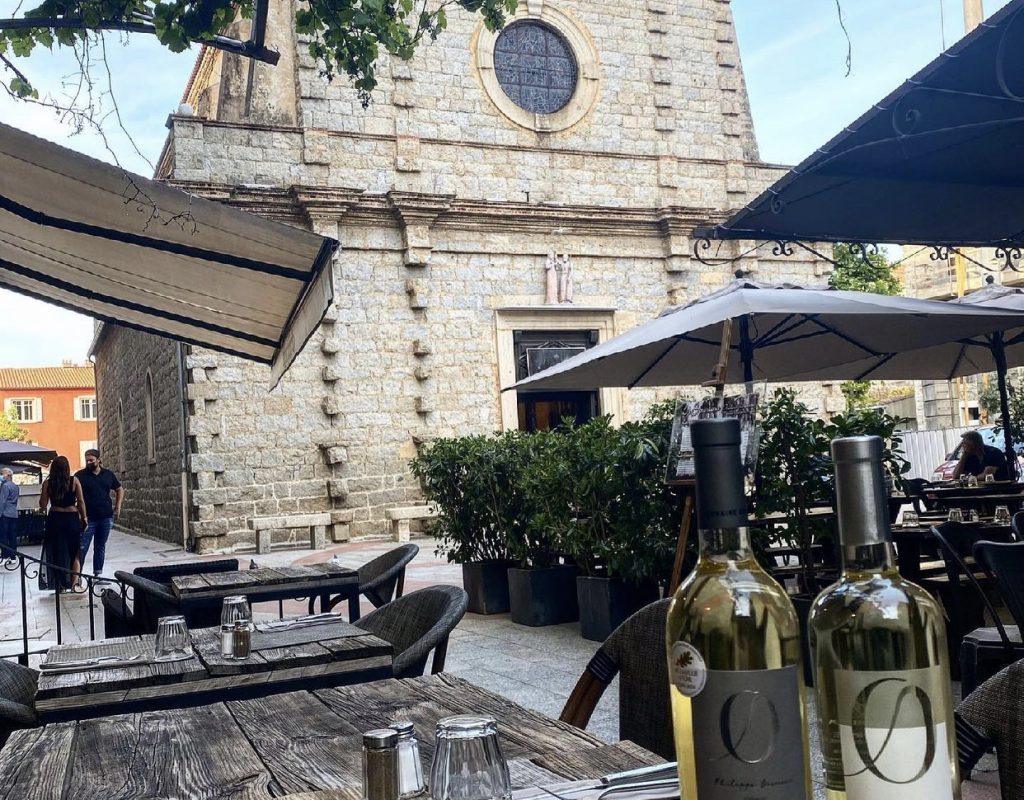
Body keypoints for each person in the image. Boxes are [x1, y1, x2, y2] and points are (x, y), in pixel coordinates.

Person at [40, 455, 86, 591]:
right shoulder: (74, 481)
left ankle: (60, 585)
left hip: (55, 519)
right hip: (71, 518)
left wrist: (44, 493)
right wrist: (84, 517)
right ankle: (74, 584)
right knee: (75, 552)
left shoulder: (48, 484)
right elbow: (81, 501)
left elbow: (43, 504)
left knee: (57, 551)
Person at [75, 448, 123, 575]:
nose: (89, 463)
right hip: (88, 518)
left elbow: (119, 489)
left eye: (91, 460)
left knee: (100, 547)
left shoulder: (108, 475)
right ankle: (77, 575)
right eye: (87, 461)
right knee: (82, 547)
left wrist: (118, 507)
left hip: (105, 517)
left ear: (99, 460)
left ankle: (98, 573)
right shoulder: (80, 476)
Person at [0, 468, 18, 555]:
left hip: (5, 513)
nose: (1, 476)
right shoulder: (15, 486)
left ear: (8, 475)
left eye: (2, 474)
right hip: (13, 513)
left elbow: (2, 501)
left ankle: (5, 555)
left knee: (3, 535)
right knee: (12, 535)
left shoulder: (5, 486)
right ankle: (13, 556)